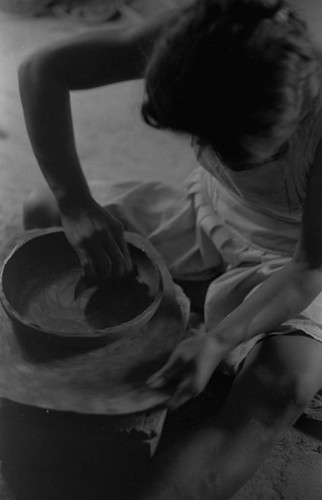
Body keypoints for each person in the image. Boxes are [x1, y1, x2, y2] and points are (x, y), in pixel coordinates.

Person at [18, 0, 322, 498]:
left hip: (294, 254)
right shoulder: (200, 36)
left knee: (286, 381)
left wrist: (219, 340)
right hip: (208, 207)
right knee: (45, 210)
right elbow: (41, 70)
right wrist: (76, 201)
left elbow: (311, 266)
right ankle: (196, 292)